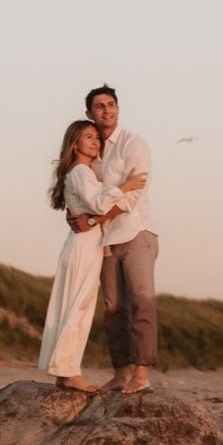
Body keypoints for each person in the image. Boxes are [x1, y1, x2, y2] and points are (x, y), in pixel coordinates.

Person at [38, 119, 147, 392]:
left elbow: (90, 208)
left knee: (73, 307)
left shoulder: (83, 172)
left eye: (97, 138)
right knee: (79, 308)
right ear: (75, 143)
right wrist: (126, 186)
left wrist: (91, 217)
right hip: (84, 246)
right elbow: (98, 203)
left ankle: (64, 372)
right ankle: (70, 373)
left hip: (82, 242)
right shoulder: (81, 172)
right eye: (88, 137)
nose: (95, 141)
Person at [68, 84, 158, 394]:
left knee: (141, 301)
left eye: (110, 104)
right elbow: (84, 194)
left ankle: (142, 374)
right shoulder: (91, 150)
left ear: (118, 108)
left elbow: (135, 194)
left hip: (136, 232)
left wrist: (96, 217)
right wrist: (76, 214)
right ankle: (121, 372)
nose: (106, 110)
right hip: (104, 242)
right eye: (99, 106)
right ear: (89, 113)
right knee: (112, 309)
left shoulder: (134, 144)